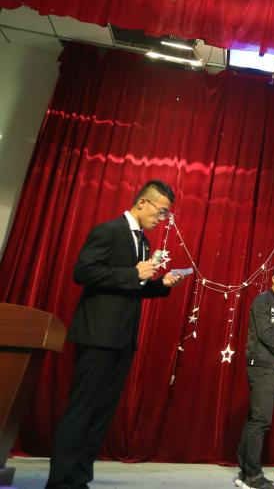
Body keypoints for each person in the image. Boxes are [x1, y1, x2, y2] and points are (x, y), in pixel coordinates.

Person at [46, 180, 185, 489]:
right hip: (97, 337)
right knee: (82, 411)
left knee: (101, 415)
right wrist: (133, 273)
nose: (162, 219)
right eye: (161, 211)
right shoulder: (108, 231)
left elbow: (132, 287)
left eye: (166, 214)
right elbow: (83, 272)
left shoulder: (143, 242)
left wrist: (160, 285)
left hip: (123, 340)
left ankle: (78, 480)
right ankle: (60, 484)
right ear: (143, 203)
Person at [235, 261, 274, 489]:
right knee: (261, 421)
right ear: (273, 279)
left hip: (272, 369)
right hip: (262, 367)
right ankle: (254, 476)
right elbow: (265, 333)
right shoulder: (263, 300)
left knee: (255, 420)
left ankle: (245, 473)